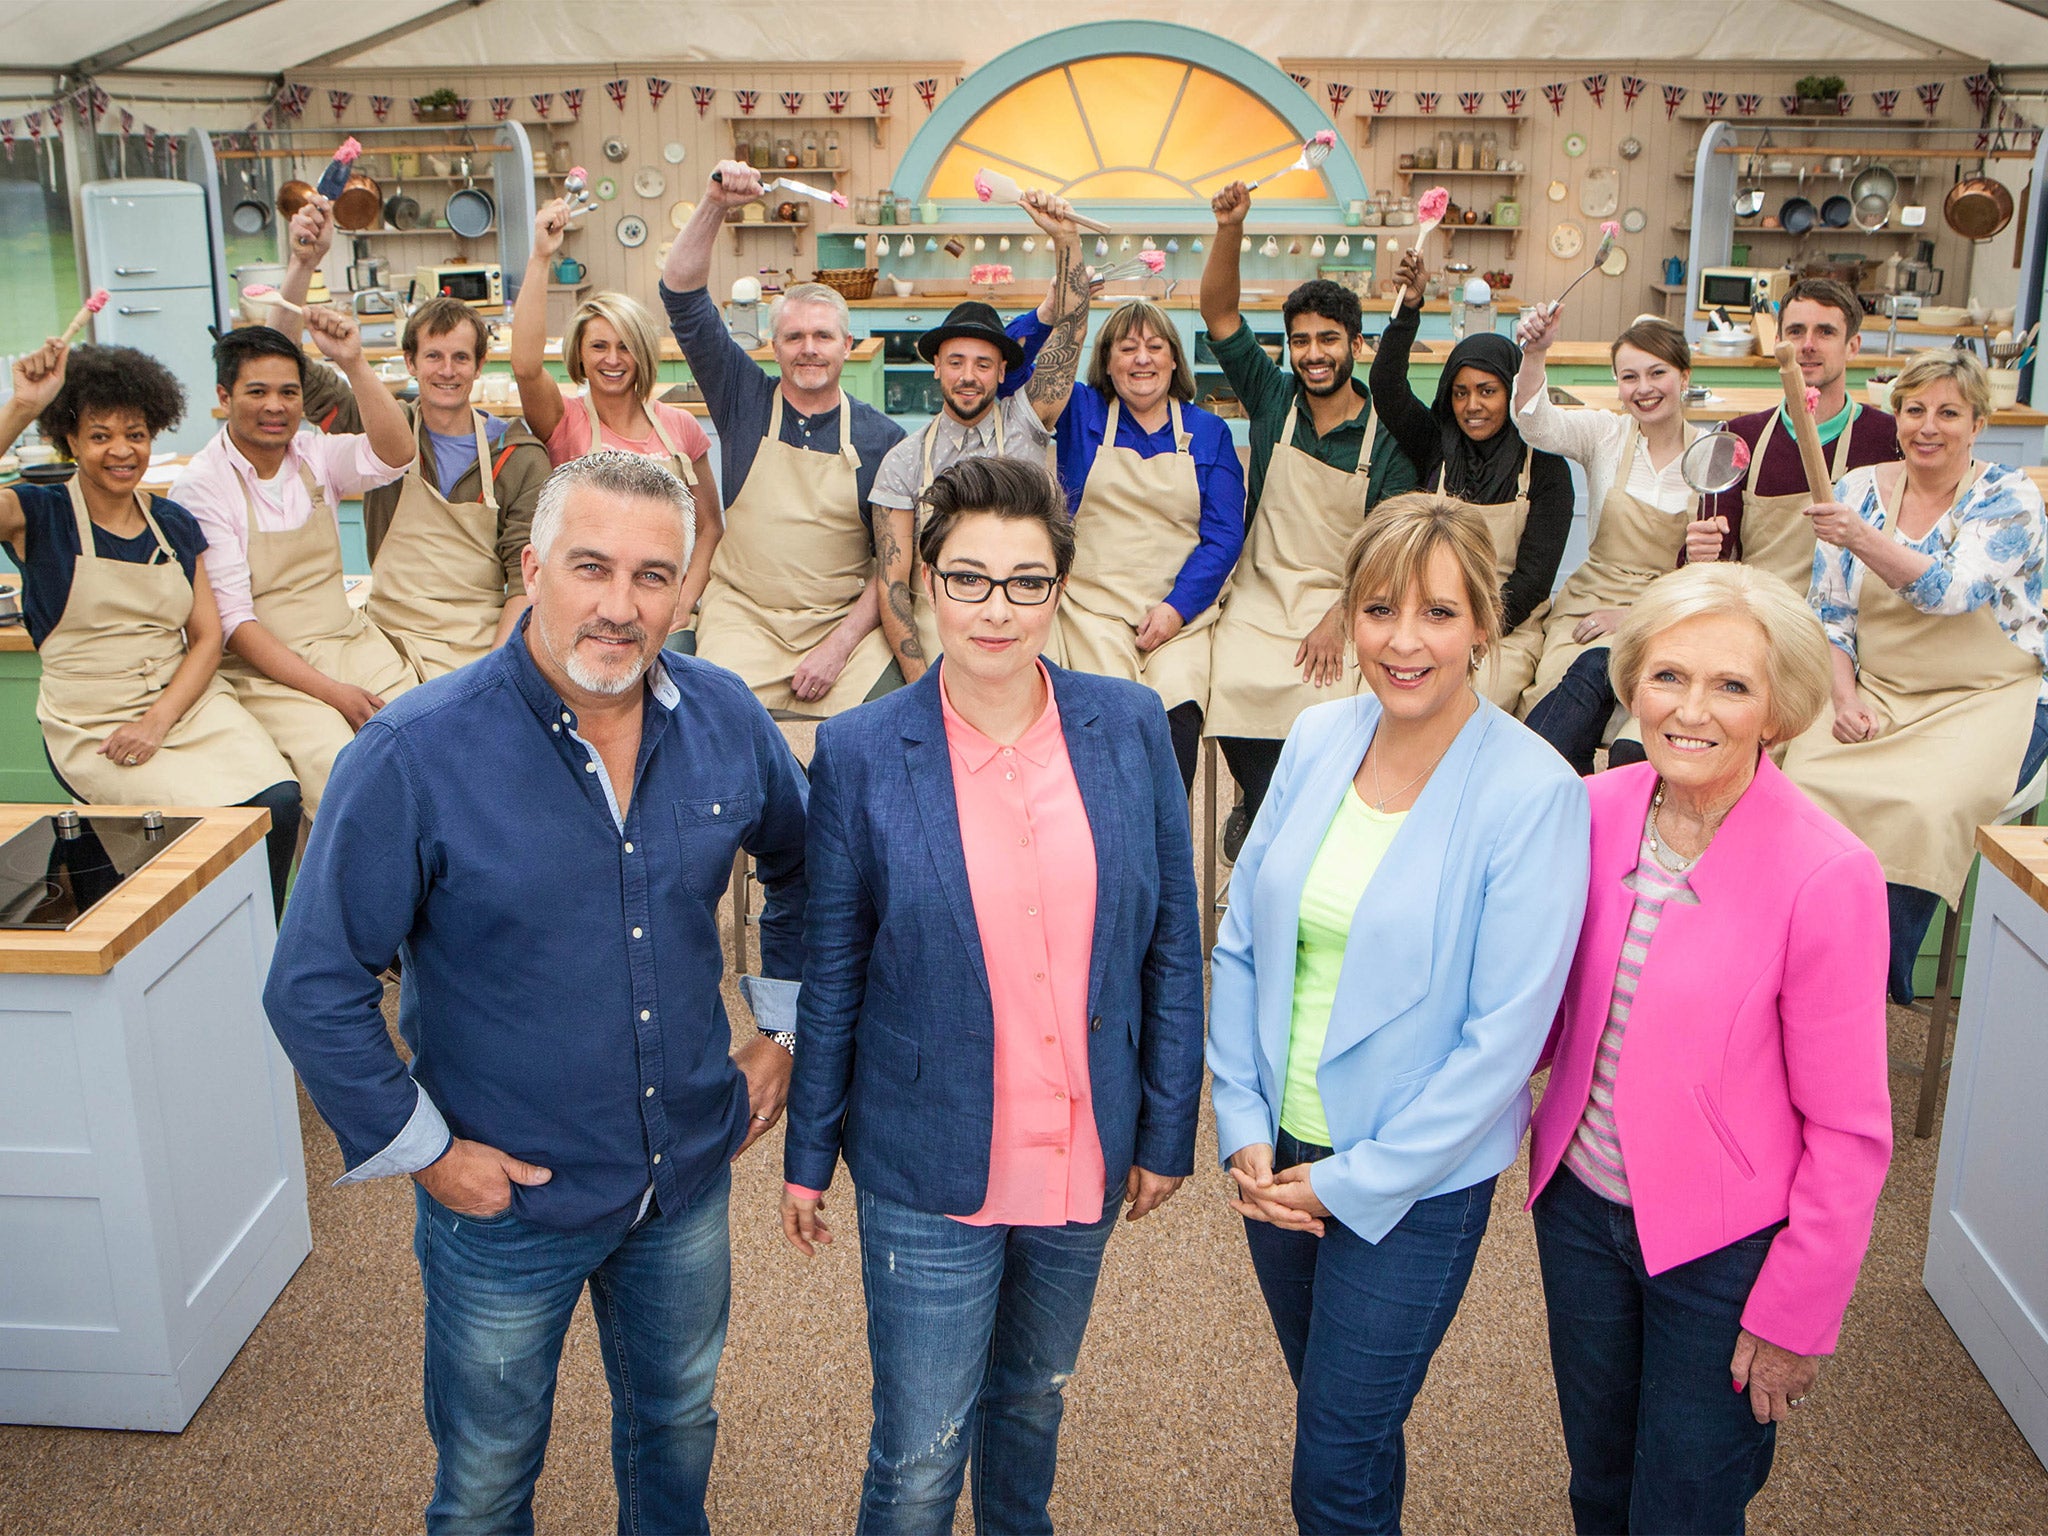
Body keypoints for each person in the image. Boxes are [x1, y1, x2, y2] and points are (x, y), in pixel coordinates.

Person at [263, 451, 810, 1534]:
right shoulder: (414, 752)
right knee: (485, 1478)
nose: (619, 606)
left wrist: (781, 1027)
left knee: (676, 1424)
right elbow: (313, 984)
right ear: (531, 569)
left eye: (654, 576)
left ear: (684, 589)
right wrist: (427, 1152)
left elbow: (807, 866)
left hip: (684, 1180)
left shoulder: (722, 716)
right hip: (505, 1200)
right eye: (590, 567)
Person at [781, 455, 1204, 1534]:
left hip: (1080, 1152)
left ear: (1057, 591)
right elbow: (834, 967)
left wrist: (1164, 1132)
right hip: (928, 1156)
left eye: (1025, 581)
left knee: (1029, 1409)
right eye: (968, 577)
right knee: (919, 1455)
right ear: (926, 581)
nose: (995, 608)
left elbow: (1168, 948)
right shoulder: (865, 750)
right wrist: (806, 1157)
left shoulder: (1130, 727)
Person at [1207, 493, 1590, 1533]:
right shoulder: (1319, 735)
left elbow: (1499, 1043)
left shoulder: (1532, 791)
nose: (1403, 641)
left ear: (1482, 624)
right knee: (1349, 1430)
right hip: (1277, 1158)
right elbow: (1244, 940)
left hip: (1408, 1182)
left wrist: (1353, 1184)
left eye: (1435, 612)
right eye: (1377, 610)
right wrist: (1239, 1123)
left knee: (1329, 1461)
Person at [1527, 562, 1892, 1534]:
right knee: (1598, 1482)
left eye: (1730, 685)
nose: (1690, 709)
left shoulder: (1827, 875)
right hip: (1578, 1213)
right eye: (1666, 676)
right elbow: (1542, 1010)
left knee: (1683, 1505)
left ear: (1776, 712)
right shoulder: (1593, 809)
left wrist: (1797, 1312)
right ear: (1631, 683)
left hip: (1722, 1250)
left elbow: (1850, 1131)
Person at [1781, 349, 2048, 1004]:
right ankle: (1795, 968)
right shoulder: (1854, 490)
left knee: (1922, 808)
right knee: (1800, 783)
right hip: (1879, 688)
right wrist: (1842, 696)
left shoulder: (2009, 497)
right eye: (1914, 409)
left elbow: (1950, 592)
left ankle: (1867, 987)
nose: (1928, 426)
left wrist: (1860, 539)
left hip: (1987, 696)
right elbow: (1832, 616)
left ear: (1978, 422)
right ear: (1895, 417)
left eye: (1949, 412)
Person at [0, 340, 300, 913]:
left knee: (279, 798)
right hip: (93, 720)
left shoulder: (172, 523)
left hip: (181, 705)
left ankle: (264, 938)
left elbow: (208, 635)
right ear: (69, 440)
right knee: (203, 828)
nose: (121, 451)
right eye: (100, 435)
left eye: (135, 434)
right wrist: (20, 405)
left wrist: (159, 720)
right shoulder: (38, 514)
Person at [1200, 181, 1421, 854]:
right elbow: (1218, 311)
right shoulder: (1273, 397)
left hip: (1345, 594)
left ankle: (1293, 818)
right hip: (1261, 588)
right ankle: (1266, 806)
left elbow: (1389, 548)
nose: (1313, 354)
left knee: (1330, 701)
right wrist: (1232, 225)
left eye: (1328, 340)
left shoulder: (1386, 436)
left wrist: (1340, 615)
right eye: (1300, 341)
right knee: (1228, 678)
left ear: (1357, 343)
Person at [662, 160, 905, 715]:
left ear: (848, 345)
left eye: (823, 336)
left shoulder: (882, 437)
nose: (809, 349)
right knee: (719, 720)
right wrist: (716, 203)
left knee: (878, 725)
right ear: (773, 346)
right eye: (793, 336)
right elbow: (681, 296)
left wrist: (839, 648)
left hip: (839, 623)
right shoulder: (742, 398)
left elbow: (894, 567)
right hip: (745, 617)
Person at [277, 201, 553, 677]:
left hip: (482, 640)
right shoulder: (381, 432)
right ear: (410, 363)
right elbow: (282, 364)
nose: (447, 371)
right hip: (388, 639)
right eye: (433, 356)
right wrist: (303, 264)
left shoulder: (519, 455)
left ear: (480, 365)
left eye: (461, 358)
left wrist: (493, 674)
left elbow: (523, 581)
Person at [171, 316, 418, 813]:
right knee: (346, 771)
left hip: (349, 643)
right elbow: (235, 624)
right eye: (257, 391)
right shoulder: (202, 486)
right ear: (224, 396)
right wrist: (335, 694)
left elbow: (397, 454)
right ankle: (334, 891)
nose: (274, 407)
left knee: (426, 742)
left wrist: (352, 361)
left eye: (289, 392)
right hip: (270, 670)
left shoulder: (313, 454)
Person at [1003, 295, 1245, 793]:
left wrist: (1177, 609)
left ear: (1174, 360)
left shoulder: (1208, 431)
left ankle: (1164, 857)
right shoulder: (1080, 410)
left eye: (1155, 347)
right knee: (1100, 726)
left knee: (1175, 720)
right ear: (1106, 363)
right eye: (1127, 348)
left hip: (1179, 615)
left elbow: (1223, 535)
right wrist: (1049, 311)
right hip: (1093, 610)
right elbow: (1006, 371)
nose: (1141, 359)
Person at [869, 191, 1089, 682]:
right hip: (939, 621)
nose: (968, 376)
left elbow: (1071, 332)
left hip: (1025, 609)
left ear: (1002, 371)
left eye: (983, 364)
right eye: (956, 362)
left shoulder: (1027, 422)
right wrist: (919, 678)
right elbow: (893, 585)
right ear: (936, 370)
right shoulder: (903, 461)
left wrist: (1066, 239)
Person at [1372, 248, 1574, 710]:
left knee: (1477, 701)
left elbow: (1533, 581)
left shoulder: (1543, 467)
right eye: (1460, 393)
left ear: (1510, 391)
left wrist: (1475, 632)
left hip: (1507, 626)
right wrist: (1409, 309)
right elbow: (1387, 386)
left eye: (1488, 391)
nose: (1472, 406)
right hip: (1427, 612)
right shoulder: (1435, 444)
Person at [517, 201, 723, 637]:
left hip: (664, 604)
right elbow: (525, 367)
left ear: (643, 352)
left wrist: (682, 603)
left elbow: (709, 528)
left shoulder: (679, 427)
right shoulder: (563, 420)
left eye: (625, 346)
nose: (612, 360)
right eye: (598, 347)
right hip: (587, 603)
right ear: (578, 354)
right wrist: (540, 257)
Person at [1509, 311, 1701, 775]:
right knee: (1558, 694)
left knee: (1644, 712)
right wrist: (1535, 353)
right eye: (1629, 377)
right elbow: (1537, 425)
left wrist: (1635, 617)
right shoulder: (1606, 435)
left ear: (1684, 376)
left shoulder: (1709, 455)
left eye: (1658, 373)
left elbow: (1712, 573)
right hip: (1590, 602)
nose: (1644, 388)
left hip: (1669, 611)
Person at [1687, 277, 1899, 590]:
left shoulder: (1889, 438)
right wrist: (1697, 552)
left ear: (1853, 346)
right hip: (1764, 614)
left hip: (1854, 626)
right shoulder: (1741, 437)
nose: (1808, 344)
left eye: (1825, 332)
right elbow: (1711, 563)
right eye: (1796, 332)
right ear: (1777, 342)